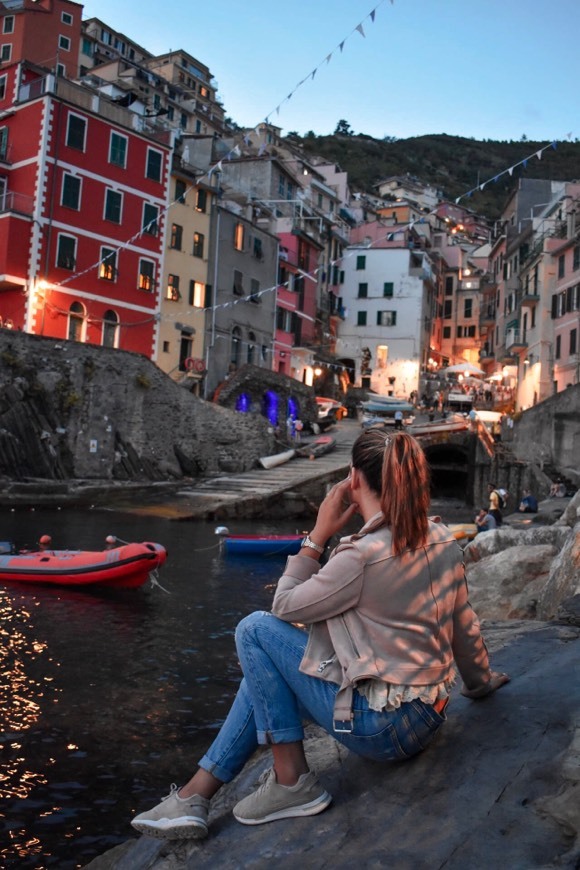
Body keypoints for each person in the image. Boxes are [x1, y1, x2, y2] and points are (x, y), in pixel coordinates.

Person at [131, 431, 509, 841]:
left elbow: (284, 606)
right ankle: (195, 795)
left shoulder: (360, 556)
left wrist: (317, 534)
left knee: (254, 631)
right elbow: (463, 625)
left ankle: (290, 782)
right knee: (266, 671)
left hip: (380, 730)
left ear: (354, 480)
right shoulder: (442, 540)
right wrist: (481, 682)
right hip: (427, 718)